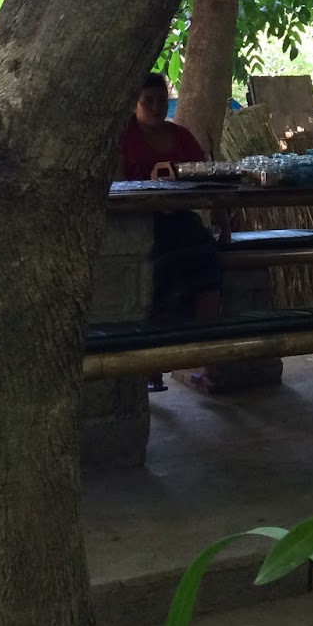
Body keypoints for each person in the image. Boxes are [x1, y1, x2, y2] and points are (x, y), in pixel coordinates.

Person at [117, 72, 223, 390]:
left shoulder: (181, 136)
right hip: (141, 223)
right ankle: (152, 366)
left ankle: (209, 364)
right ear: (134, 104)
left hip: (180, 220)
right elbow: (117, 185)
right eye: (147, 101)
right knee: (156, 274)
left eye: (161, 101)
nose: (155, 107)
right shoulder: (123, 138)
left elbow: (204, 175)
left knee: (208, 261)